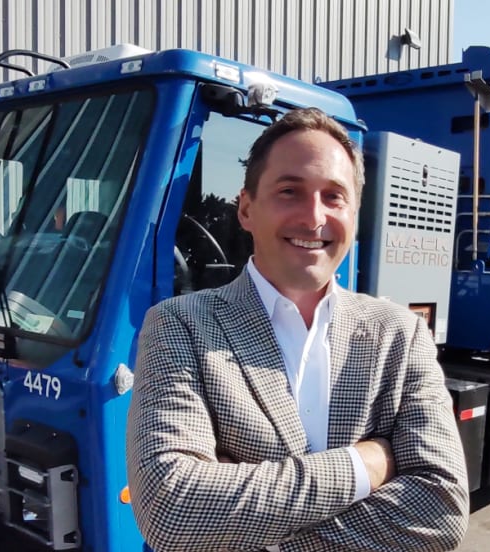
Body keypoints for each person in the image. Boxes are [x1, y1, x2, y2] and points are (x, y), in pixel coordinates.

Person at [126, 107, 469, 551]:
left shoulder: (399, 336)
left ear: (355, 214)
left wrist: (254, 533)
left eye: (334, 197)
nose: (313, 218)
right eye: (290, 191)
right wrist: (364, 466)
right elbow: (171, 511)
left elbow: (440, 513)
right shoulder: (180, 325)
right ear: (246, 209)